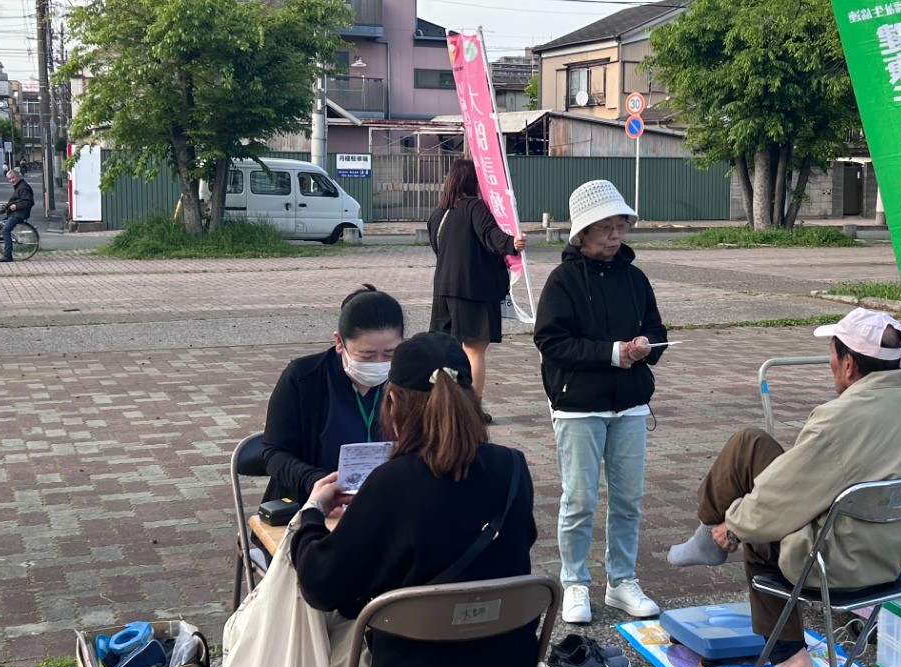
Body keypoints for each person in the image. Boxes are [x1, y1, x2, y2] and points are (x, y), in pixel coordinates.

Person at [231, 331, 539, 667]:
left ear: (393, 403)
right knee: (428, 613)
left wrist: (311, 516)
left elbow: (322, 583)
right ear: (470, 398)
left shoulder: (394, 482)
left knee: (302, 628)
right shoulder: (512, 470)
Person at [668, 308, 901, 667]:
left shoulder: (839, 419)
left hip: (833, 567)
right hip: (890, 560)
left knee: (756, 502)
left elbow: (777, 502)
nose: (829, 363)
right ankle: (711, 536)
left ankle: (787, 652)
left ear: (849, 365)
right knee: (756, 449)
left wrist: (734, 526)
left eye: (832, 354)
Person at [533, 178, 666, 626]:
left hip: (629, 404)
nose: (614, 236)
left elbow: (657, 331)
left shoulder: (635, 277)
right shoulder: (562, 280)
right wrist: (612, 353)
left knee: (628, 499)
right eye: (605, 227)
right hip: (577, 406)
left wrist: (647, 345)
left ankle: (621, 580)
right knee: (579, 500)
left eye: (620, 226)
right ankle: (574, 581)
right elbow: (551, 341)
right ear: (582, 232)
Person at [260, 286, 405, 506]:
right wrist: (315, 481)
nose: (378, 364)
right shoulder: (304, 378)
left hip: (387, 501)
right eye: (366, 355)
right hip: (315, 502)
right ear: (339, 343)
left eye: (389, 354)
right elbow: (275, 453)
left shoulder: (408, 381)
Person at [428, 159, 525, 415]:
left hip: (443, 289)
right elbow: (490, 236)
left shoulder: (438, 214)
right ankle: (472, 411)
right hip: (474, 290)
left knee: (446, 349)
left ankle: (444, 406)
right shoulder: (474, 207)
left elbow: (438, 248)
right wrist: (512, 243)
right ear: (474, 181)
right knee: (474, 350)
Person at [0, 167, 35, 263]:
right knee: (0, 225)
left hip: (19, 214)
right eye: (9, 179)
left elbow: (29, 202)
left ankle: (8, 255)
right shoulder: (19, 186)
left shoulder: (23, 187)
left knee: (5, 230)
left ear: (18, 176)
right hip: (15, 213)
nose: (11, 181)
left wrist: (16, 206)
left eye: (13, 178)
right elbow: (18, 200)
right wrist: (7, 206)